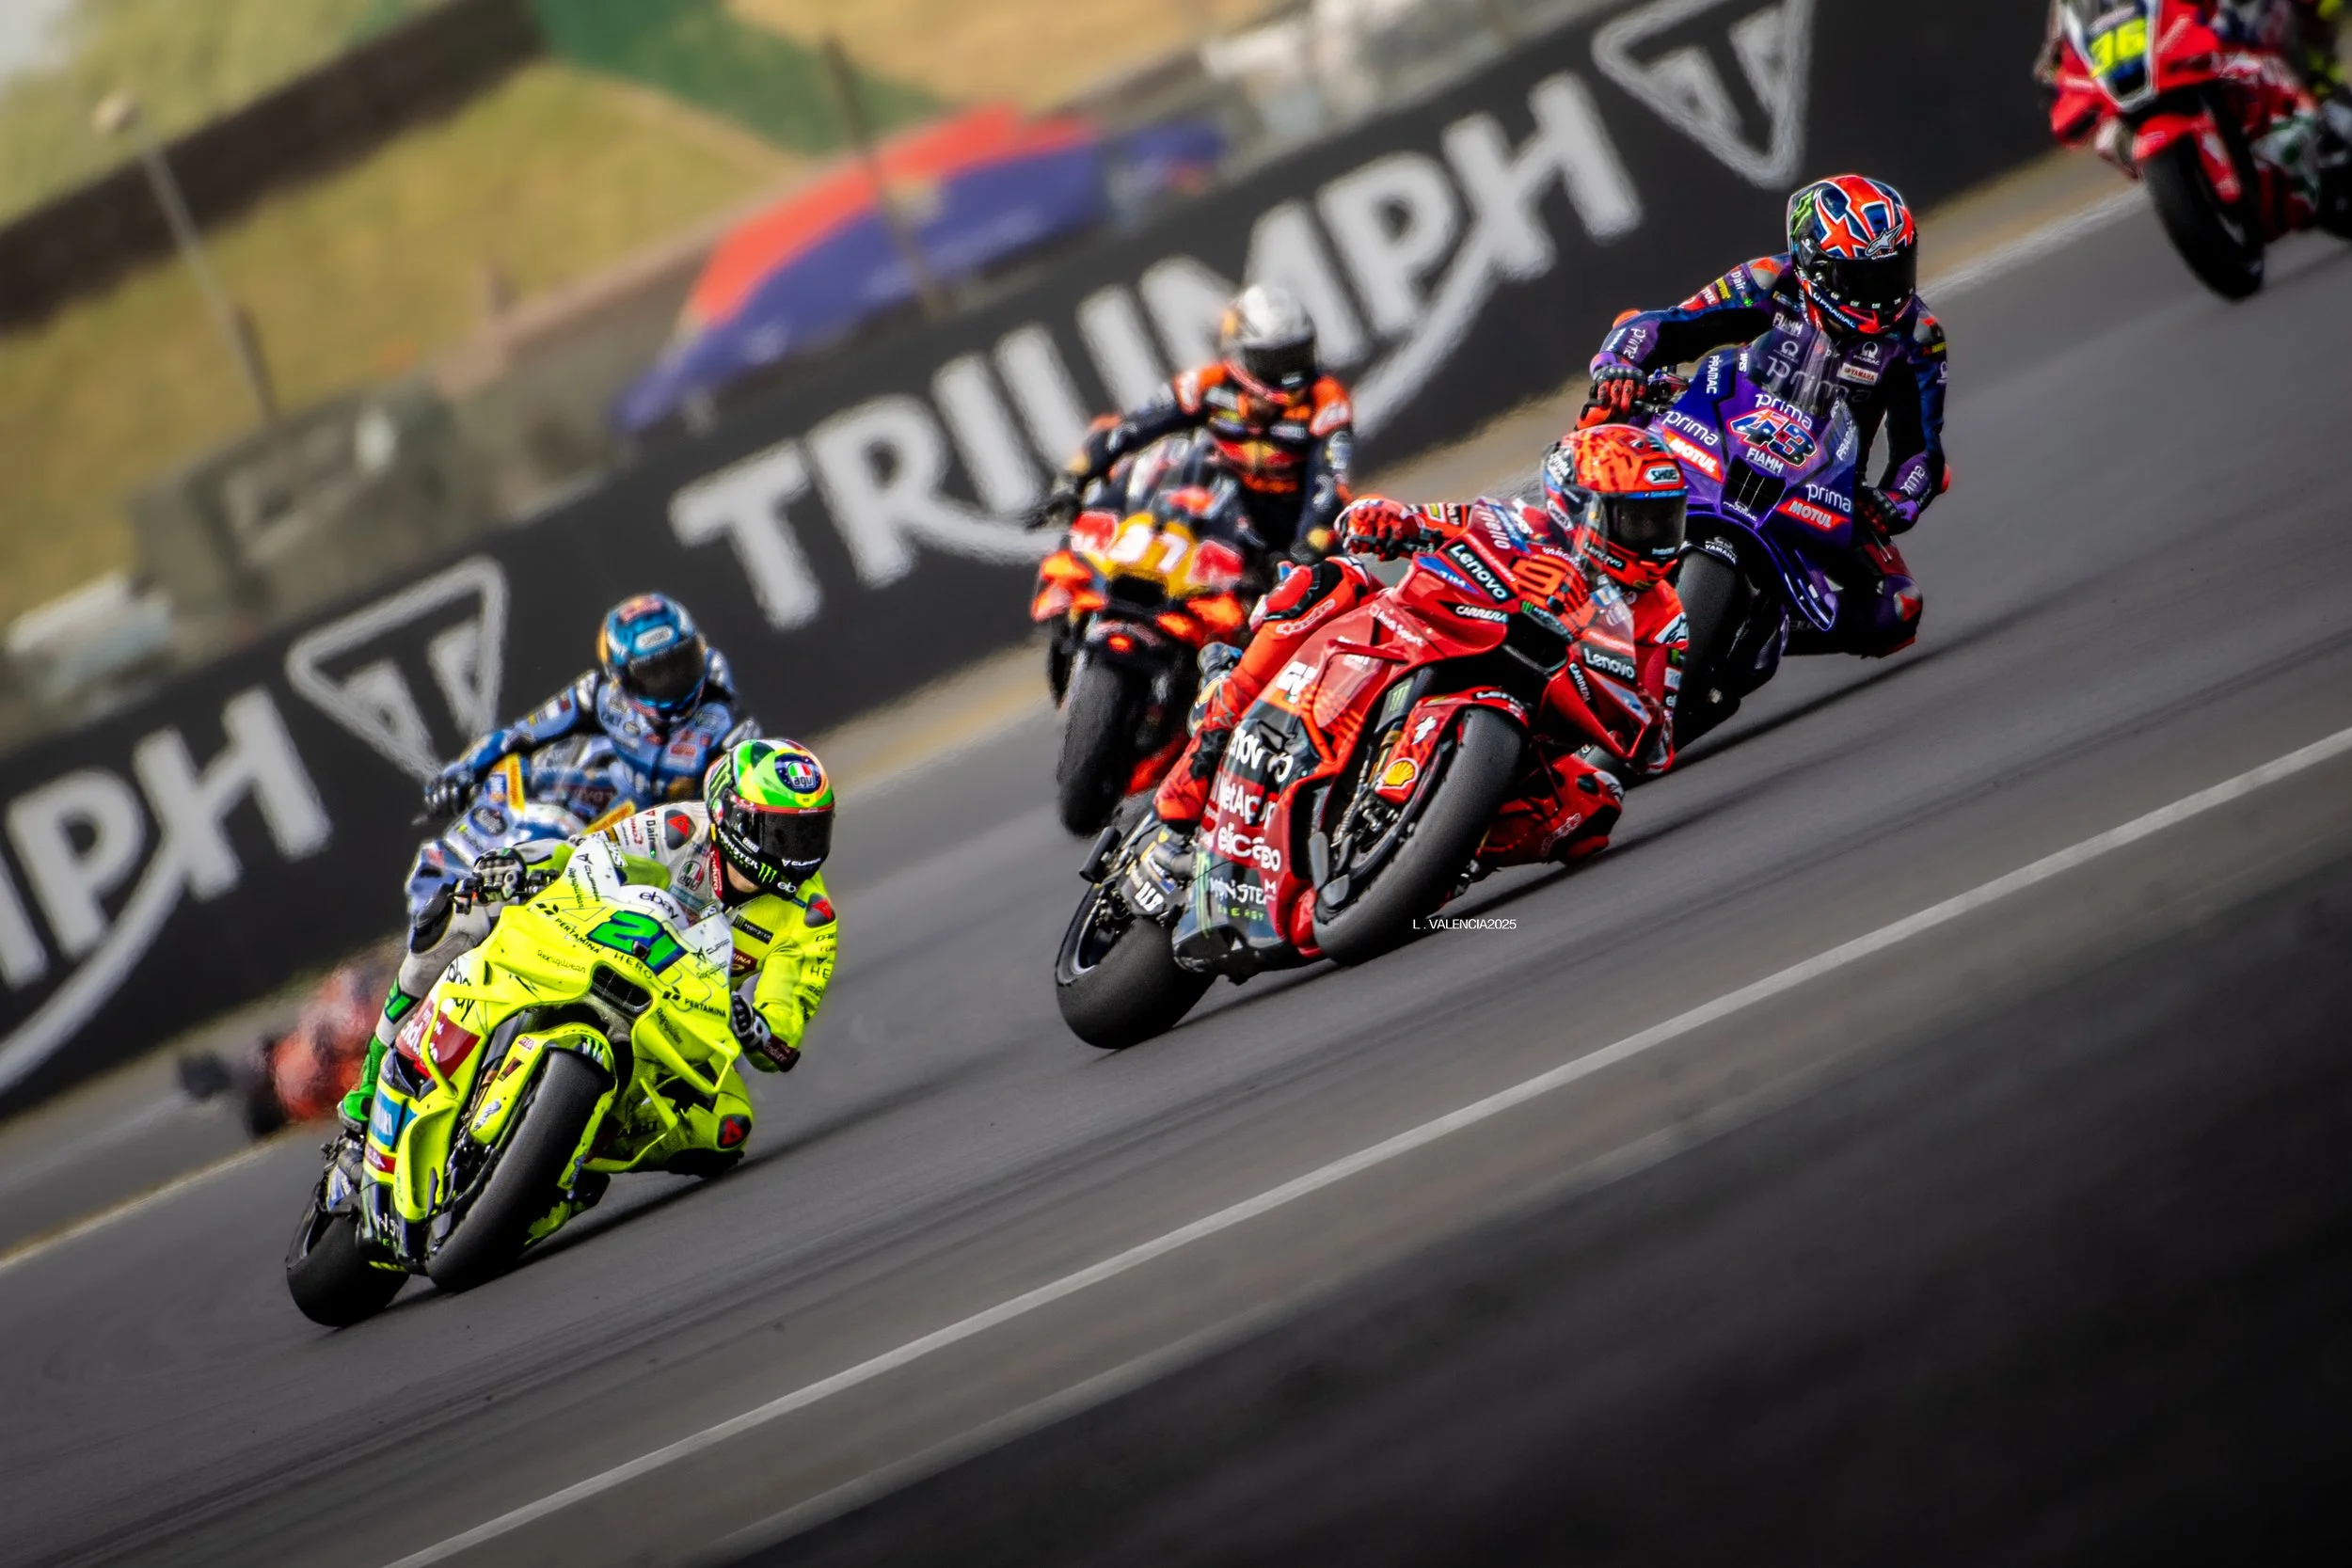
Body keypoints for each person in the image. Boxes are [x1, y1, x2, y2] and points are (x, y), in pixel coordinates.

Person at [1134, 424, 1687, 892]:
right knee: (1332, 580)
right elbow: (1426, 521)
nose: (1656, 539)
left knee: (1593, 811)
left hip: (1530, 736)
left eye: (1667, 519)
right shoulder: (1520, 525)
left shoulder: (1665, 618)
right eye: (1637, 521)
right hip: (1432, 642)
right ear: (1580, 506)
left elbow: (1655, 741)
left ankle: (1435, 856)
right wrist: (1386, 520)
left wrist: (1595, 673)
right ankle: (1217, 728)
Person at [339, 739, 838, 1129]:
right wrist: (519, 865)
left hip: (677, 1023)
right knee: (456, 918)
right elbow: (586, 852)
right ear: (731, 815)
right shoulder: (679, 829)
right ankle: (373, 1077)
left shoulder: (811, 918)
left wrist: (755, 1028)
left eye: (810, 834)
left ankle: (563, 1174)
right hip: (597, 950)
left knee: (727, 1128)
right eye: (782, 834)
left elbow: (783, 1036)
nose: (798, 854)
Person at [1585, 173, 1942, 657]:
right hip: (1718, 434)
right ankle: (1571, 531)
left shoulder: (1917, 336)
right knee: (1612, 412)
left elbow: (1921, 454)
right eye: (1864, 278)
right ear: (1816, 267)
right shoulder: (1768, 280)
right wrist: (1618, 366)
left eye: (1894, 271)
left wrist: (1896, 500)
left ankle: (1758, 626)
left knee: (1897, 607)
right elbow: (1664, 326)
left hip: (1822, 487)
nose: (1884, 293)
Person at [1040, 282, 1356, 560]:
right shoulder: (1206, 384)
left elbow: (1329, 480)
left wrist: (1308, 545)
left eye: (1298, 354)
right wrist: (1071, 481)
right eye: (1274, 359)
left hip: (1302, 521)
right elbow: (1128, 430)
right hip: (1231, 525)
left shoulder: (1327, 399)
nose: (1289, 371)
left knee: (1336, 577)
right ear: (1240, 353)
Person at [423, 594, 753, 820]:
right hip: (617, 809)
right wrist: (463, 771)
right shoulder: (596, 693)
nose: (672, 679)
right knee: (531, 770)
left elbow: (748, 781)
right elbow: (519, 735)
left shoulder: (721, 704)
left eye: (682, 663)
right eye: (654, 673)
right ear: (619, 677)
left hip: (687, 826)